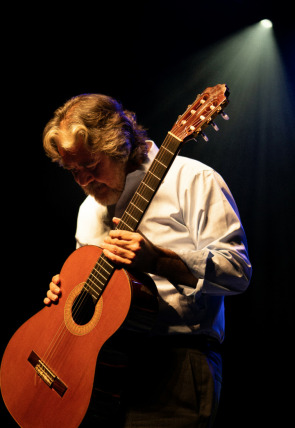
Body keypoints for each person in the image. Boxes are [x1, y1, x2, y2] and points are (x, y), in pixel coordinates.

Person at [42, 93, 252, 427]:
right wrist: (68, 296)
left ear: (119, 145)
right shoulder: (88, 210)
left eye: (91, 166)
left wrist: (159, 260)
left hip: (176, 366)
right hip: (101, 373)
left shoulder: (193, 180)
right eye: (73, 171)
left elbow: (237, 273)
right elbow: (101, 305)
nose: (83, 181)